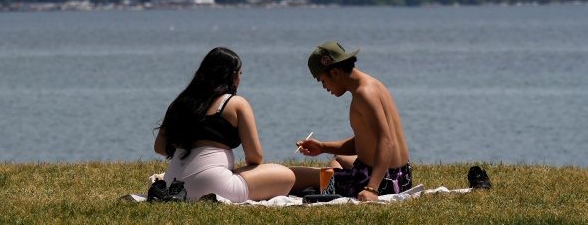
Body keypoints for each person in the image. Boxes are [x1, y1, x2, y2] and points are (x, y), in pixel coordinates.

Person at [154, 47, 295, 202]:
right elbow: (255, 156)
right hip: (213, 184)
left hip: (172, 183)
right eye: (240, 74)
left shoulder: (180, 103)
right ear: (233, 75)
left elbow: (159, 148)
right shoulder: (236, 103)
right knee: (287, 175)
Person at [292, 42, 412, 201]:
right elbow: (367, 140)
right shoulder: (372, 84)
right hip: (402, 177)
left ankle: (331, 189)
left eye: (322, 81)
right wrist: (322, 147)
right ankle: (333, 186)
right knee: (338, 159)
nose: (324, 87)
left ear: (335, 72)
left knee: (293, 175)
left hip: (381, 182)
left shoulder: (364, 94)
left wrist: (371, 189)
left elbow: (386, 141)